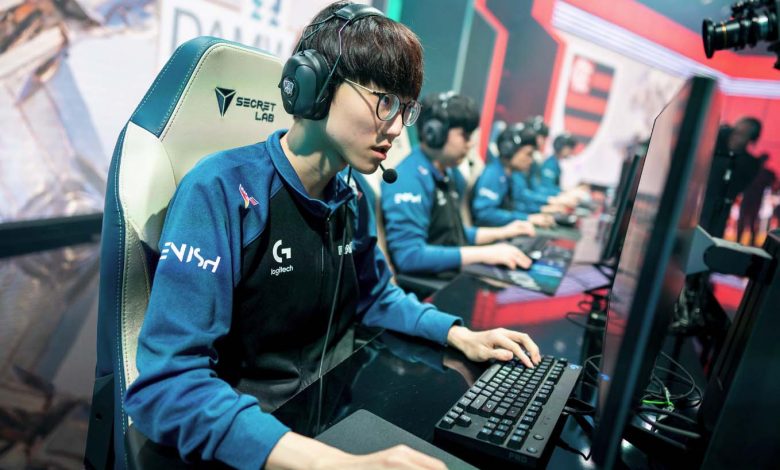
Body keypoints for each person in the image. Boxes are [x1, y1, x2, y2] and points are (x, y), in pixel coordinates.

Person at [123, 3, 542, 469]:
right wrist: (330, 463)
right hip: (259, 440)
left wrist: (458, 334)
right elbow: (169, 385)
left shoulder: (351, 194)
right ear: (315, 88)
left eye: (405, 109)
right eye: (385, 102)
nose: (397, 128)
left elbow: (376, 296)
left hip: (332, 415)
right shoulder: (221, 190)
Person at [380, 91, 536, 277]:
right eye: (465, 136)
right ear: (434, 133)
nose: (470, 144)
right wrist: (485, 253)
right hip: (427, 285)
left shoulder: (448, 173)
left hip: (447, 275)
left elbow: (453, 235)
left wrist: (503, 232)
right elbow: (409, 256)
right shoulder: (409, 179)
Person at [471, 123, 555, 227]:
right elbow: (484, 213)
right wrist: (527, 218)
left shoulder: (509, 175)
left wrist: (539, 210)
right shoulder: (493, 174)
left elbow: (515, 204)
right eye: (528, 154)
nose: (531, 160)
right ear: (509, 150)